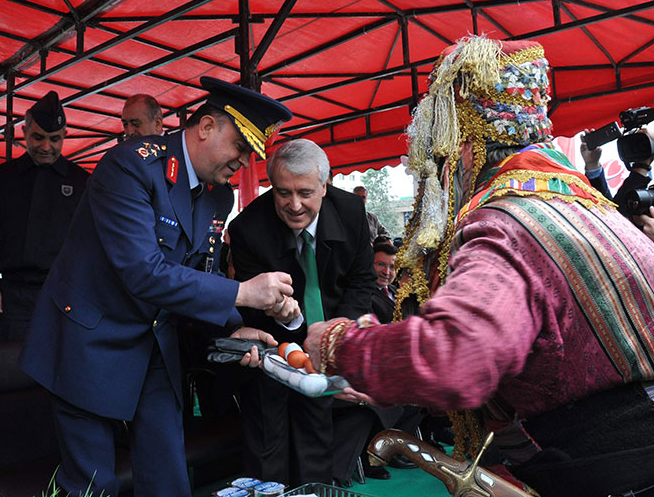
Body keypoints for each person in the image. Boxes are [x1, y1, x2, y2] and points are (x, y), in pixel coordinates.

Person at [305, 36, 654, 497]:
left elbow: (456, 358)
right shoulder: (595, 208)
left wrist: (338, 346)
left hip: (607, 469)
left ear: (465, 146)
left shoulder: (506, 221)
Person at [19, 77, 295, 497]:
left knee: (167, 478)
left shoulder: (218, 197)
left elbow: (201, 273)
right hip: (88, 342)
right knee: (92, 483)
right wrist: (243, 292)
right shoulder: (130, 165)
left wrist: (230, 328)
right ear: (206, 127)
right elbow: (142, 272)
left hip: (153, 345)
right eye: (240, 147)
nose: (243, 162)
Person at [228, 138, 377, 487]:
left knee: (316, 440)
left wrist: (338, 336)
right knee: (268, 444)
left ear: (325, 187)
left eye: (305, 193)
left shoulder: (352, 212)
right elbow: (252, 312)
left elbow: (361, 281)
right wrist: (283, 318)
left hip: (329, 336)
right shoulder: (247, 229)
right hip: (272, 347)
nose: (294, 205)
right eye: (283, 193)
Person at [0, 91, 89, 340]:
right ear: (24, 132)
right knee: (14, 372)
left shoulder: (81, 181)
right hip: (16, 296)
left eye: (54, 139)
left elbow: (92, 242)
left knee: (65, 373)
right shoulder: (3, 177)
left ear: (65, 136)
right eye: (38, 137)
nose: (46, 147)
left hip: (66, 292)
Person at [370, 242, 398, 324]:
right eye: (381, 264)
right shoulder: (361, 295)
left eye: (392, 267)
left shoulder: (398, 291)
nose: (386, 272)